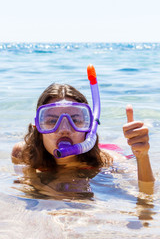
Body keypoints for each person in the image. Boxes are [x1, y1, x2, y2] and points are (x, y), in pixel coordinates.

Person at [11, 66, 154, 197]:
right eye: (52, 121)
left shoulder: (109, 161)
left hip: (105, 150)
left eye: (75, 120)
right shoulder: (23, 154)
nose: (65, 130)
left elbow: (148, 193)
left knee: (124, 139)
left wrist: (142, 157)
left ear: (90, 126)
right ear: (37, 126)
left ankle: (150, 122)